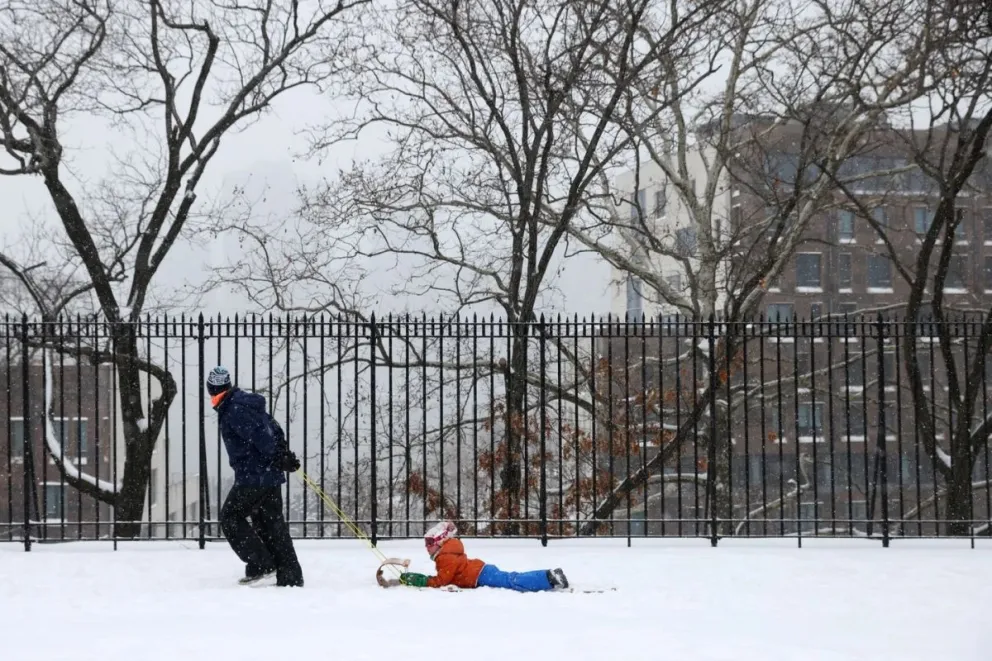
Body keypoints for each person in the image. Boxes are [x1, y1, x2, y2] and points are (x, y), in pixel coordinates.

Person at [208, 366, 305, 587]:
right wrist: (281, 455)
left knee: (231, 518)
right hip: (268, 474)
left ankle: (261, 564)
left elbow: (260, 435)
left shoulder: (234, 409)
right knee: (271, 524)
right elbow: (273, 428)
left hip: (254, 476)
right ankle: (289, 576)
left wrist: (277, 456)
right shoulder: (244, 404)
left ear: (212, 389)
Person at [399, 520, 569, 592]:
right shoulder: (447, 551)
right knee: (510, 578)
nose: (427, 547)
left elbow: (442, 580)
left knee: (511, 581)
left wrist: (420, 580)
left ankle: (548, 578)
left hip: (479, 575)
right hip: (481, 570)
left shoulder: (445, 556)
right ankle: (548, 576)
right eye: (426, 543)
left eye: (430, 542)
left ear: (441, 541)